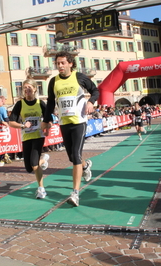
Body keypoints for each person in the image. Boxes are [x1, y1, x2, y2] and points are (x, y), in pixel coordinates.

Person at [41, 51, 99, 207]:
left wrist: (91, 102)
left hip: (79, 121)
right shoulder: (53, 81)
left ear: (70, 63)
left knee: (76, 155)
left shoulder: (79, 77)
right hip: (64, 122)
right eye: (57, 63)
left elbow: (95, 90)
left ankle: (75, 193)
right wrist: (46, 121)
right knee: (73, 158)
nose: (60, 66)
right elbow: (51, 103)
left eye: (62, 63)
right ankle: (86, 166)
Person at [9, 79, 50, 199]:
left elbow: (49, 119)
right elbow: (11, 122)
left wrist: (47, 127)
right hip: (26, 137)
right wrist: (22, 125)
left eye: (29, 87)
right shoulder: (20, 104)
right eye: (25, 88)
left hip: (38, 136)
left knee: (34, 164)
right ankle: (43, 160)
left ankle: (41, 189)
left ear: (35, 88)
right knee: (28, 168)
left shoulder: (40, 103)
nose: (27, 90)